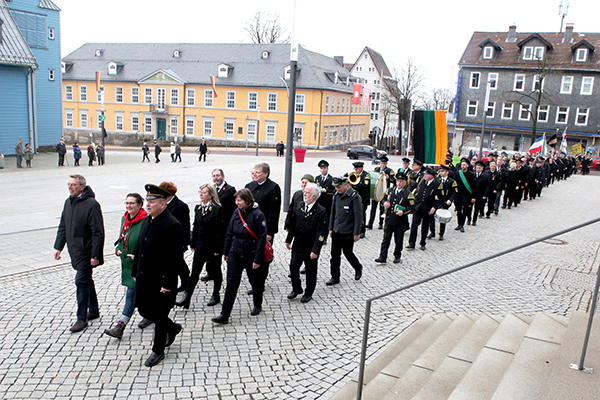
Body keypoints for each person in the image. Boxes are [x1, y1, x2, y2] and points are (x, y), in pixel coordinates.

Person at [132, 184, 184, 367]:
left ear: (163, 204)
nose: (148, 204)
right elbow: (140, 248)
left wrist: (168, 282)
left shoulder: (172, 225)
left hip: (162, 280)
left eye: (152, 202)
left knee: (160, 314)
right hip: (146, 277)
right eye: (148, 201)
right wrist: (134, 271)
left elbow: (175, 258)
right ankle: (173, 327)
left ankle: (158, 350)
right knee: (144, 310)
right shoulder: (148, 220)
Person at [53, 174, 105, 333]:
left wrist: (95, 255)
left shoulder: (91, 204)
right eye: (69, 184)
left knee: (80, 282)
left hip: (86, 251)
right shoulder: (68, 202)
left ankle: (81, 318)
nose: (70, 187)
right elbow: (63, 226)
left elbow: (98, 232)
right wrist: (58, 246)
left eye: (73, 184)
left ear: (82, 186)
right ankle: (94, 309)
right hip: (74, 250)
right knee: (86, 280)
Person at [211, 188, 267, 324]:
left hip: (251, 254)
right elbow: (229, 233)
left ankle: (257, 304)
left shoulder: (258, 215)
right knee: (231, 284)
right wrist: (225, 251)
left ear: (247, 200)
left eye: (239, 200)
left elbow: (261, 238)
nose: (237, 203)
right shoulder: (236, 213)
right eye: (236, 200)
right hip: (235, 253)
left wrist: (257, 259)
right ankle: (224, 314)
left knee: (255, 281)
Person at [104, 193, 148, 339]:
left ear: (139, 205)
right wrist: (119, 250)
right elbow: (123, 236)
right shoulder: (125, 218)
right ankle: (149, 315)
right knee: (141, 294)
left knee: (131, 295)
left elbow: (147, 243)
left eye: (132, 203)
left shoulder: (145, 221)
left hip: (140, 264)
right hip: (127, 263)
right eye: (127, 203)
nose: (129, 206)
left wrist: (138, 256)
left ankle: (120, 326)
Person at [176, 184, 225, 309]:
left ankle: (216, 294)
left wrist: (218, 249)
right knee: (195, 272)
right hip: (200, 245)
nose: (201, 194)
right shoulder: (198, 208)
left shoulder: (217, 209)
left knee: (215, 271)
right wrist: (193, 243)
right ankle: (187, 297)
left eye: (204, 192)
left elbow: (220, 231)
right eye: (200, 192)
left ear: (210, 194)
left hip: (212, 246)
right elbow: (196, 227)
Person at [285, 183, 328, 303]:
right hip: (298, 244)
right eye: (305, 192)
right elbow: (293, 224)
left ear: (314, 196)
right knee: (293, 267)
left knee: (310, 271)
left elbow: (321, 233)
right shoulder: (299, 206)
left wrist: (316, 250)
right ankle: (296, 288)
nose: (305, 194)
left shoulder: (320, 211)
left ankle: (309, 292)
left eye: (308, 193)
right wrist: (289, 240)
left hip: (310, 246)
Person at [327, 176, 363, 286]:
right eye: (336, 187)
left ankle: (358, 267)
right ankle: (335, 276)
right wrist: (331, 228)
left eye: (339, 187)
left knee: (348, 253)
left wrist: (356, 233)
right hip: (337, 230)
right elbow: (333, 213)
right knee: (334, 255)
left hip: (348, 231)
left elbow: (358, 216)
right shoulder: (336, 196)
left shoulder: (354, 197)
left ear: (345, 184)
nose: (337, 189)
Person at [204, 169, 237, 283]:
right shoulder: (211, 189)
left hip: (224, 225)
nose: (216, 178)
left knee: (223, 251)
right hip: (212, 226)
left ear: (223, 176)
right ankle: (210, 272)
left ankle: (228, 274)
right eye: (214, 176)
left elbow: (233, 209)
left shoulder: (230, 190)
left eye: (218, 175)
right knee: (211, 252)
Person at [159, 182, 191, 293]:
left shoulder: (181, 206)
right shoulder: (162, 204)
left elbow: (185, 226)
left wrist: (185, 243)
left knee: (178, 262)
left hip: (177, 241)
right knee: (176, 262)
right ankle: (185, 280)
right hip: (165, 240)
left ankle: (186, 281)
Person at [375, 172, 414, 263]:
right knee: (385, 239)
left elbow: (412, 207)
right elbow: (383, 198)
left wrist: (403, 212)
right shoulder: (390, 190)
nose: (399, 183)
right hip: (389, 219)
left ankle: (397, 255)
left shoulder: (408, 194)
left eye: (401, 181)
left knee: (398, 240)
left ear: (405, 183)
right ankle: (382, 256)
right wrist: (384, 203)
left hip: (400, 221)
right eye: (398, 181)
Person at [406, 167, 439, 251]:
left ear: (431, 176)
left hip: (428, 208)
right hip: (418, 207)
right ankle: (411, 243)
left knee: (425, 226)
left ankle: (423, 243)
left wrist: (434, 207)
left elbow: (441, 198)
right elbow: (413, 186)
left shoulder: (437, 184)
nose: (425, 175)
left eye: (426, 174)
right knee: (414, 225)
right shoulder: (421, 180)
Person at [428, 165, 457, 240]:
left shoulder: (451, 181)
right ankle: (432, 232)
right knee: (431, 216)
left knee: (443, 218)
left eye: (442, 171)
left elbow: (455, 192)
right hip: (436, 201)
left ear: (447, 172)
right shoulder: (436, 180)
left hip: (445, 201)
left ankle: (441, 233)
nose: (441, 172)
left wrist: (450, 200)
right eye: (440, 171)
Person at [368, 156, 395, 229]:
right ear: (380, 163)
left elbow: (394, 181)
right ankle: (370, 223)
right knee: (373, 208)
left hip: (384, 191)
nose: (383, 165)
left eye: (384, 163)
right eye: (382, 163)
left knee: (382, 208)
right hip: (376, 191)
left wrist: (389, 178)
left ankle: (380, 223)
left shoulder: (390, 171)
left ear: (386, 164)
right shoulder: (376, 169)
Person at [350, 161, 370, 238]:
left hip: (363, 199)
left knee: (361, 214)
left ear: (361, 168)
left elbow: (365, 186)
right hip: (355, 198)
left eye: (357, 169)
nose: (355, 170)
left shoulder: (366, 175)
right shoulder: (354, 175)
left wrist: (355, 184)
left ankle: (362, 230)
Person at [471, 160, 489, 226]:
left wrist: (485, 195)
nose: (478, 169)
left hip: (480, 194)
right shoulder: (472, 174)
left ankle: (474, 220)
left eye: (479, 168)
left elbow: (487, 186)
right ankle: (469, 219)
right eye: (477, 167)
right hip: (472, 194)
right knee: (469, 208)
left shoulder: (485, 176)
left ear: (482, 168)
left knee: (477, 208)